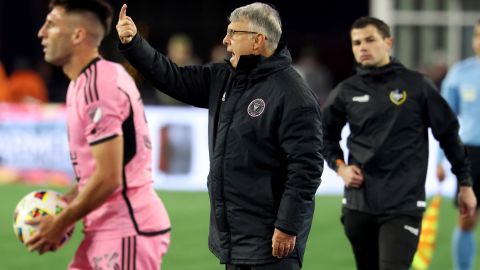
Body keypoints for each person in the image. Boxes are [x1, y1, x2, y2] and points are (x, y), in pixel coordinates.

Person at [117, 2, 323, 269]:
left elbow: (306, 168)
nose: (225, 41)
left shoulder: (293, 94)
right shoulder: (224, 78)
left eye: (233, 33)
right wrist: (134, 44)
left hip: (271, 242)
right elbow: (172, 77)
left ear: (258, 41)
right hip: (234, 240)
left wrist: (287, 225)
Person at [322, 16, 477, 270]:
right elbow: (324, 137)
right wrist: (341, 168)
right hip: (358, 206)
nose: (363, 47)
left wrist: (465, 184)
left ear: (388, 42)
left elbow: (449, 135)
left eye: (370, 40)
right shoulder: (345, 91)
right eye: (356, 42)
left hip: (403, 205)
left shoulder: (417, 86)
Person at [28, 1, 171, 269]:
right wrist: (63, 203)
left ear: (78, 35)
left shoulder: (98, 84)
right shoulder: (84, 83)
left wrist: (61, 221)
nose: (41, 33)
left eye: (51, 24)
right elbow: (97, 174)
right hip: (105, 230)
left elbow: (108, 177)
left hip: (127, 229)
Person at [437, 20, 480, 270]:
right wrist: (442, 160)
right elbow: (446, 121)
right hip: (472, 157)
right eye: (476, 35)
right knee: (467, 219)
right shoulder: (459, 73)